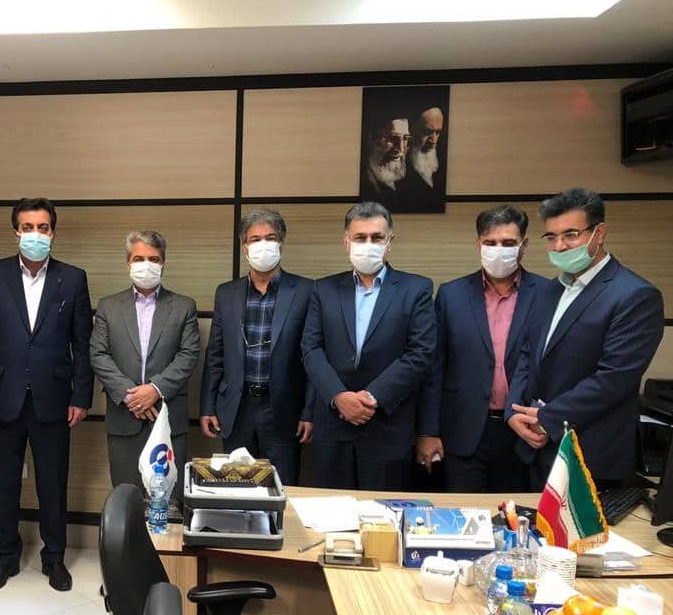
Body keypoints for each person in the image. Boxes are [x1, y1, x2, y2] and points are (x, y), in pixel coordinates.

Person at [0, 198, 92, 593]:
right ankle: (4, 557)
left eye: (42, 227)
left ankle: (54, 558)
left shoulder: (73, 278)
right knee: (3, 484)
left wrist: (81, 397)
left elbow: (83, 344)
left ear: (53, 232)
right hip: (2, 396)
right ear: (15, 232)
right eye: (27, 227)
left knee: (52, 483)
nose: (35, 234)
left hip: (54, 397)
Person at [507, 188, 664, 487]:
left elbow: (614, 378)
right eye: (551, 237)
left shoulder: (635, 295)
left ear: (599, 233)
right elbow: (527, 353)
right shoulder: (548, 291)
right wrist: (513, 411)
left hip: (590, 454)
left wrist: (547, 419)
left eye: (571, 235)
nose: (560, 246)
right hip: (535, 450)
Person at [416, 205, 550, 492]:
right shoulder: (451, 295)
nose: (498, 250)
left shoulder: (548, 294)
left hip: (524, 433)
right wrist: (428, 431)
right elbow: (434, 369)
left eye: (508, 243)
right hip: (464, 434)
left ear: (524, 245)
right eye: (491, 242)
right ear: (478, 244)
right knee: (463, 514)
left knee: (516, 516)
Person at [302, 202, 436, 490]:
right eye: (360, 237)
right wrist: (338, 396)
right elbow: (311, 349)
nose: (368, 244)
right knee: (331, 510)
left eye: (377, 237)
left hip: (387, 426)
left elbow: (421, 353)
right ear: (346, 242)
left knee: (383, 513)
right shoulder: (323, 289)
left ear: (390, 242)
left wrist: (372, 397)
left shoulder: (417, 289)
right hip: (333, 426)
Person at [199, 208, 315, 486]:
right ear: (244, 246)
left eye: (270, 238)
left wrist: (309, 411)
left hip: (284, 410)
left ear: (281, 244)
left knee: (281, 487)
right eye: (255, 239)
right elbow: (215, 355)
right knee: (238, 488)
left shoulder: (307, 290)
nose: (263, 245)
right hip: (237, 409)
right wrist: (207, 406)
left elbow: (313, 357)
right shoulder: (226, 293)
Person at [90, 230, 200, 504]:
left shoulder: (184, 306)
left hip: (167, 417)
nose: (146, 265)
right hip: (123, 418)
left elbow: (189, 355)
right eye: (139, 259)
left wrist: (155, 389)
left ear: (163, 263)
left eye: (154, 259)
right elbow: (98, 354)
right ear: (128, 263)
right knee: (126, 500)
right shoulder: (108, 306)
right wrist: (132, 396)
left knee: (168, 502)